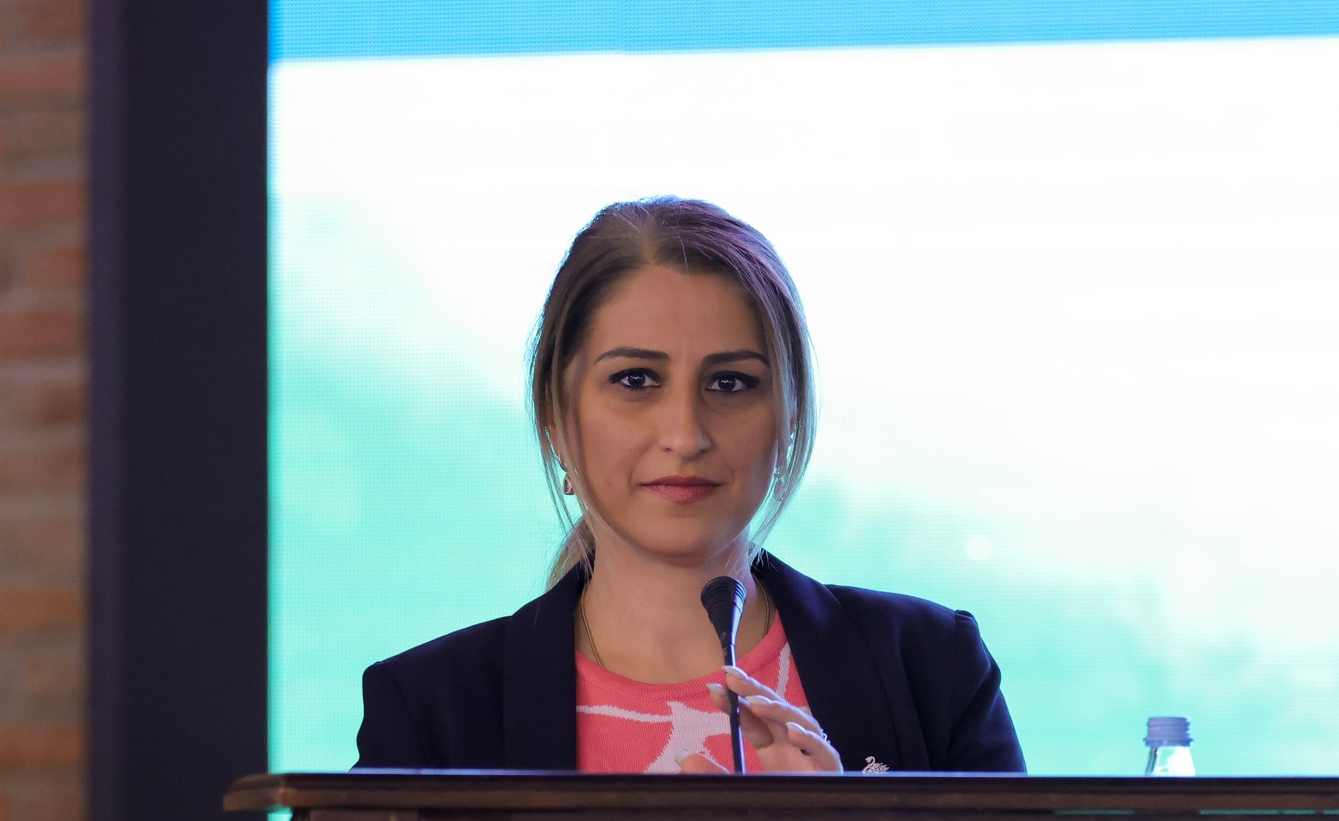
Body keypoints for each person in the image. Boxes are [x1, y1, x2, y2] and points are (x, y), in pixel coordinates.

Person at [354, 197, 1024, 774]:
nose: (685, 433)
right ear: (556, 416)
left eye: (730, 383)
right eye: (636, 380)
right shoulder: (428, 713)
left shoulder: (934, 669)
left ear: (789, 418)